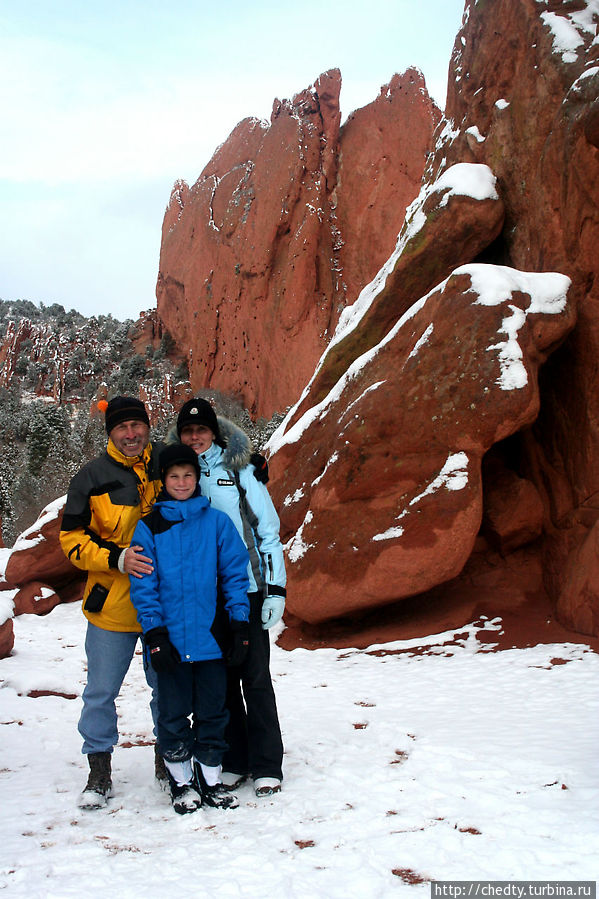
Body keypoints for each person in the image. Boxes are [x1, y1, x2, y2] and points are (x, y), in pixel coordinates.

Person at [129, 443, 251, 814]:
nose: (181, 481)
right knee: (172, 715)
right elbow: (144, 585)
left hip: (212, 641)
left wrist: (239, 623)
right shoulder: (149, 527)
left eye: (188, 475)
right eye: (173, 476)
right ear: (163, 481)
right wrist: (154, 633)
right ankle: (182, 784)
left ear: (197, 479)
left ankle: (211, 783)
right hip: (170, 641)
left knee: (213, 714)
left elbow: (234, 575)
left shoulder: (217, 523)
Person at [59, 396, 166, 810]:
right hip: (112, 604)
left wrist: (254, 464)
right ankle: (98, 768)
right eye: (122, 428)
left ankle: (168, 757)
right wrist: (115, 558)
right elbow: (71, 541)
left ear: (147, 427)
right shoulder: (91, 477)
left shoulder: (167, 464)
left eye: (137, 426)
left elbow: (210, 450)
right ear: (111, 433)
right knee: (101, 690)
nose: (131, 434)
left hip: (161, 603)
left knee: (166, 686)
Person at [176, 397, 286, 797]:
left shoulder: (241, 470)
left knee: (255, 678)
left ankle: (266, 764)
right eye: (188, 432)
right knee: (220, 682)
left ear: (213, 432)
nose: (194, 437)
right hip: (206, 597)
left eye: (201, 430)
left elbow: (267, 532)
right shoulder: (178, 474)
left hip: (248, 589)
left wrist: (276, 590)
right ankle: (236, 759)